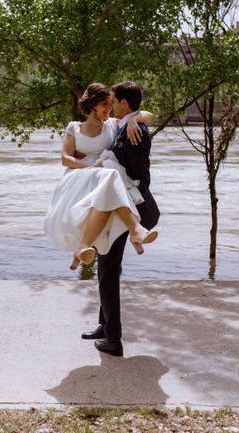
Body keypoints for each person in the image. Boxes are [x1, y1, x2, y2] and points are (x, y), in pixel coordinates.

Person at [81, 80, 160, 357]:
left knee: (108, 269)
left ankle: (113, 339)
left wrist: (114, 171)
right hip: (120, 205)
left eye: (113, 99)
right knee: (106, 264)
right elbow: (145, 114)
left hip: (132, 205)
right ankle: (105, 325)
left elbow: (140, 175)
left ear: (124, 103)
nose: (110, 103)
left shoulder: (135, 129)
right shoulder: (126, 123)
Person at [44, 82, 158, 272]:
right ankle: (135, 231)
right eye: (105, 104)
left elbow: (149, 115)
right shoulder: (74, 128)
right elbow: (65, 158)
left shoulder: (112, 125)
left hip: (105, 176)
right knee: (110, 176)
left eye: (110, 103)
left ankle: (81, 250)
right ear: (93, 105)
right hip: (80, 176)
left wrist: (133, 119)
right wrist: (92, 167)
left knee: (109, 182)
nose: (109, 108)